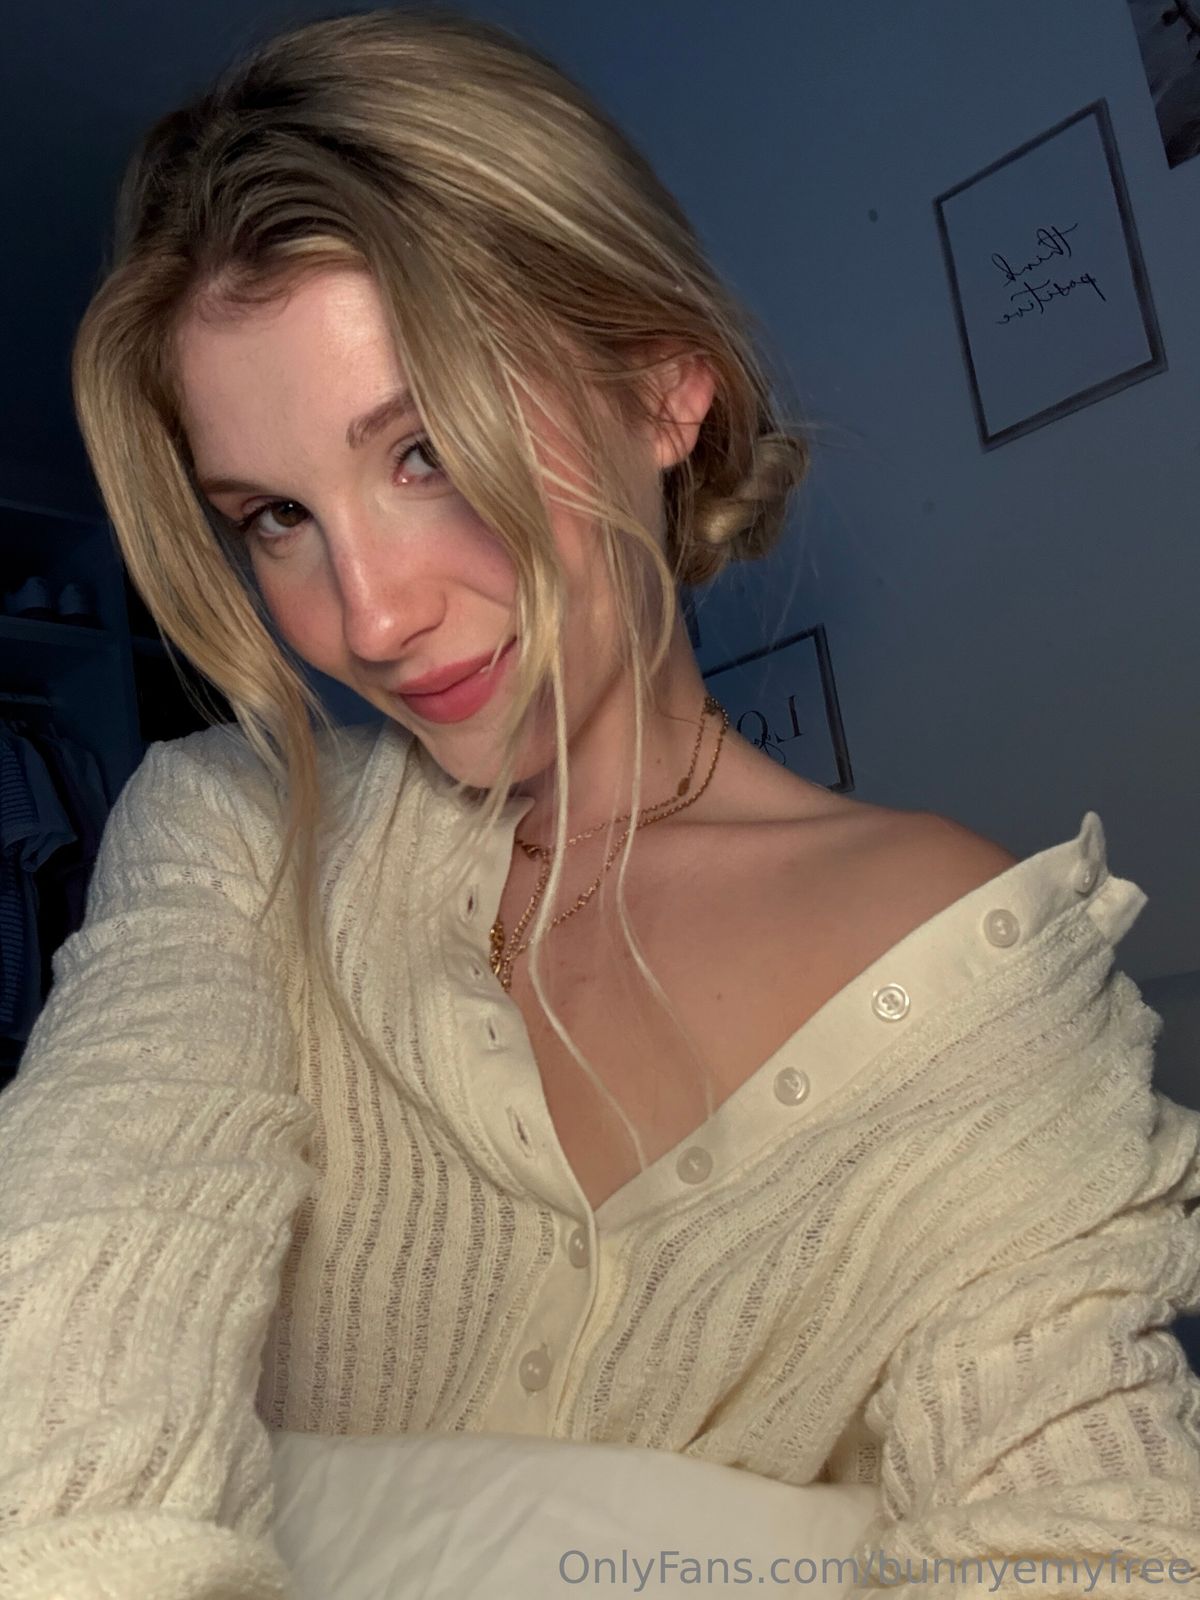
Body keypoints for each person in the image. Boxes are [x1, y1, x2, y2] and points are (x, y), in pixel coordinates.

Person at [1, 8, 1198, 1599]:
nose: (369, 616)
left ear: (664, 389)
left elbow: (1086, 1543)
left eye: (426, 450)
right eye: (276, 514)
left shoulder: (981, 992)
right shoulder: (234, 837)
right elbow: (61, 1405)